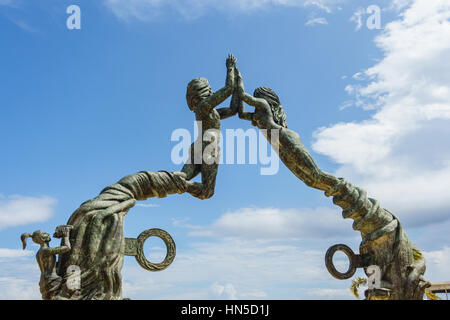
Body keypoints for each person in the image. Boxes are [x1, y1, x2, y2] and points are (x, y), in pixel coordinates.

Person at [181, 54, 239, 199]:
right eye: (210, 89)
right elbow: (228, 88)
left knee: (181, 178)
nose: (213, 92)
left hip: (199, 146)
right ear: (203, 91)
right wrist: (230, 67)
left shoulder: (209, 112)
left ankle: (164, 181)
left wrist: (239, 84)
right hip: (208, 147)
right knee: (206, 192)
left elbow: (233, 109)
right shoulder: (204, 106)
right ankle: (173, 182)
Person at [21, 226, 72, 300]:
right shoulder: (46, 250)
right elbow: (67, 247)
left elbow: (49, 264)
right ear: (42, 238)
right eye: (44, 233)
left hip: (43, 281)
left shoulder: (38, 253)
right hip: (52, 280)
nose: (48, 233)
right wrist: (66, 235)